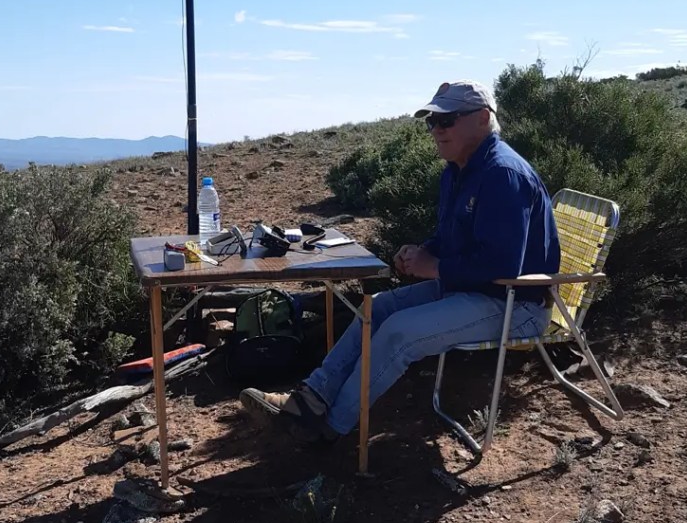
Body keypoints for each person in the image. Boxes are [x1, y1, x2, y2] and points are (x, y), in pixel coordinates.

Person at [240, 80, 561, 442]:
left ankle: (328, 429)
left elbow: (503, 265)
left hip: (516, 303)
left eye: (447, 120)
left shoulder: (503, 174)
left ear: (483, 119)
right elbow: (452, 239)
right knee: (375, 308)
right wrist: (420, 252)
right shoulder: (458, 170)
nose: (437, 129)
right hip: (473, 290)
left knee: (399, 331)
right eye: (432, 122)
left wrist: (434, 267)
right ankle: (310, 399)